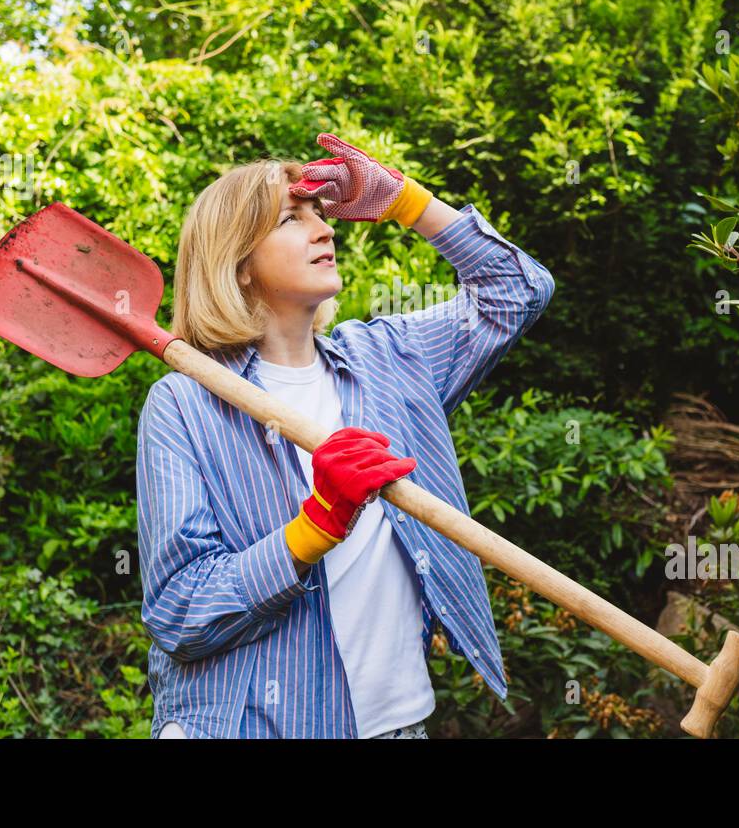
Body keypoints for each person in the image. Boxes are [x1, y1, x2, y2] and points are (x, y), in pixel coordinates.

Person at [137, 133, 555, 738]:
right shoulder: (184, 405)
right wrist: (315, 528)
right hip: (254, 726)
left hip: (400, 725)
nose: (325, 230)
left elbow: (516, 292)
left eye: (320, 216)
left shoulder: (390, 358)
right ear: (238, 265)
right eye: (291, 219)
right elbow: (181, 612)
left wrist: (404, 203)